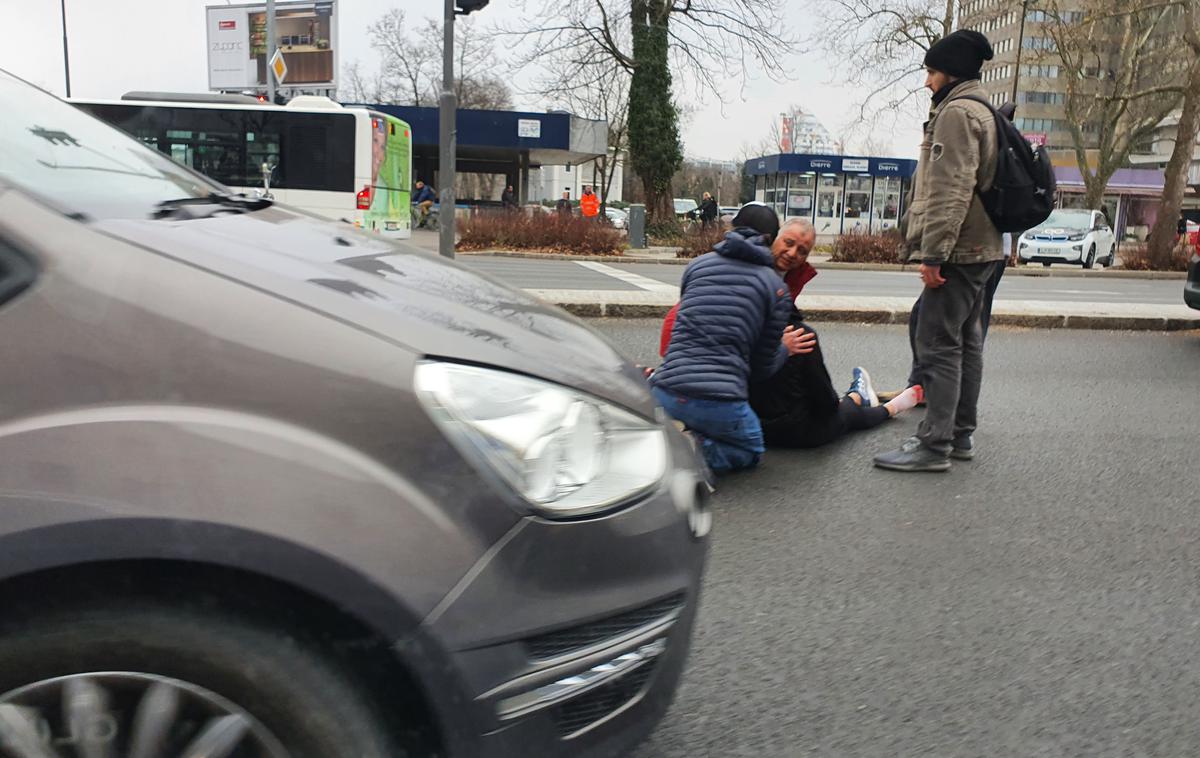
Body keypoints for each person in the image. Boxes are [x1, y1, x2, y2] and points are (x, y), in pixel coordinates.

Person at [659, 218, 923, 449]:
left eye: (802, 251)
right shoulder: (787, 323)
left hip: (735, 403)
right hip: (767, 418)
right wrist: (783, 349)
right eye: (788, 242)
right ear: (772, 239)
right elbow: (811, 394)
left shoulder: (713, 271)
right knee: (837, 416)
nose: (793, 253)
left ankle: (859, 395)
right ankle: (873, 401)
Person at [873, 29, 1005, 473]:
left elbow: (951, 190)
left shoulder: (956, 113)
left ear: (952, 72)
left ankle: (934, 445)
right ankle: (959, 434)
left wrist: (933, 254)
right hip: (983, 248)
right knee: (966, 343)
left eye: (932, 71)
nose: (927, 81)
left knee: (937, 344)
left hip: (960, 251)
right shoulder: (983, 109)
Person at [650, 204, 808, 475]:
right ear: (770, 241)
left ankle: (666, 439)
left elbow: (683, 319)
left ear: (730, 229)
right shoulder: (775, 288)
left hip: (665, 390)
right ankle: (691, 450)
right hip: (718, 400)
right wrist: (784, 348)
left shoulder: (696, 266)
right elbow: (761, 369)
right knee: (750, 449)